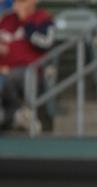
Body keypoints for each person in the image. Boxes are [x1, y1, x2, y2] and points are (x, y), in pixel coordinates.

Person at [0, 0, 54, 130]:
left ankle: (16, 114)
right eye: (17, 1)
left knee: (10, 78)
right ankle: (17, 117)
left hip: (29, 71)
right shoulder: (7, 20)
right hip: (3, 68)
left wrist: (26, 22)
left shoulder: (42, 19)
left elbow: (45, 43)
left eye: (23, 1)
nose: (17, 4)